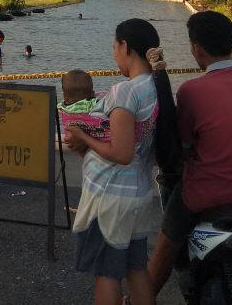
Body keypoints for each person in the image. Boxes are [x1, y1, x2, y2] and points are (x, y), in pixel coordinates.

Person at [147, 11, 232, 296]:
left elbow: (182, 144)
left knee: (167, 240)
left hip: (208, 194)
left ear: (196, 48)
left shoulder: (192, 91)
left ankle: (141, 297)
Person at [65, 19, 159, 305]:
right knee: (136, 268)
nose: (113, 54)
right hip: (138, 193)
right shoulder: (156, 87)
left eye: (114, 47)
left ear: (125, 46)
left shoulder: (124, 91)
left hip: (110, 197)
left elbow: (121, 153)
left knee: (107, 273)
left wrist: (83, 137)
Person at [58, 70, 110, 143]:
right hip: (101, 139)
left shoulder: (63, 108)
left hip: (74, 139)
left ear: (65, 98)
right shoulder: (95, 103)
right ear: (93, 94)